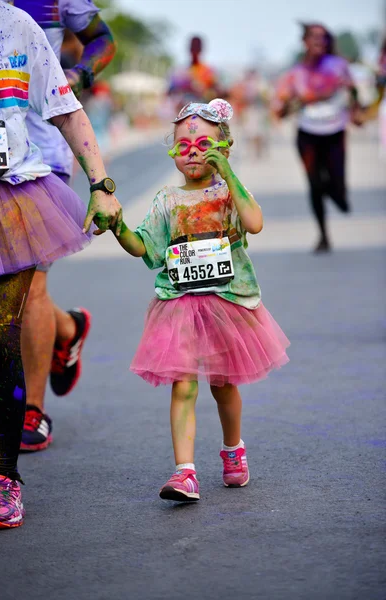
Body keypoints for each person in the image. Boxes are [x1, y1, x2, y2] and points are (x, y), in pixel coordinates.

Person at [105, 99, 289, 502]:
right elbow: (145, 248)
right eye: (184, 145)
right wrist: (118, 226)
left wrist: (229, 174)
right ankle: (184, 472)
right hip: (181, 305)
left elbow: (254, 223)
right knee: (183, 387)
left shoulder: (229, 194)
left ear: (223, 148)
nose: (193, 153)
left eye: (203, 145)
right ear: (172, 149)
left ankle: (232, 448)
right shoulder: (167, 200)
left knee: (223, 386)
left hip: (227, 303)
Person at [0, 0, 121, 529]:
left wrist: (102, 185)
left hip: (11, 192)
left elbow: (65, 108)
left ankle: (2, 476)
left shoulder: (17, 25)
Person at [6, 0, 116, 453]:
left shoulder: (54, 3)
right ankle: (67, 330)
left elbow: (103, 40)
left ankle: (33, 408)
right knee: (5, 283)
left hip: (41, 157)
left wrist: (78, 75)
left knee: (29, 286)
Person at [272, 23, 363, 253]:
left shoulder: (339, 66)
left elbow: (352, 91)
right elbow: (283, 106)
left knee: (338, 189)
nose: (318, 41)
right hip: (307, 134)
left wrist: (355, 111)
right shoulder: (296, 73)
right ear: (304, 41)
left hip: (334, 132)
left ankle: (338, 196)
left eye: (322, 38)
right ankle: (323, 235)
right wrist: (285, 106)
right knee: (314, 185)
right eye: (313, 37)